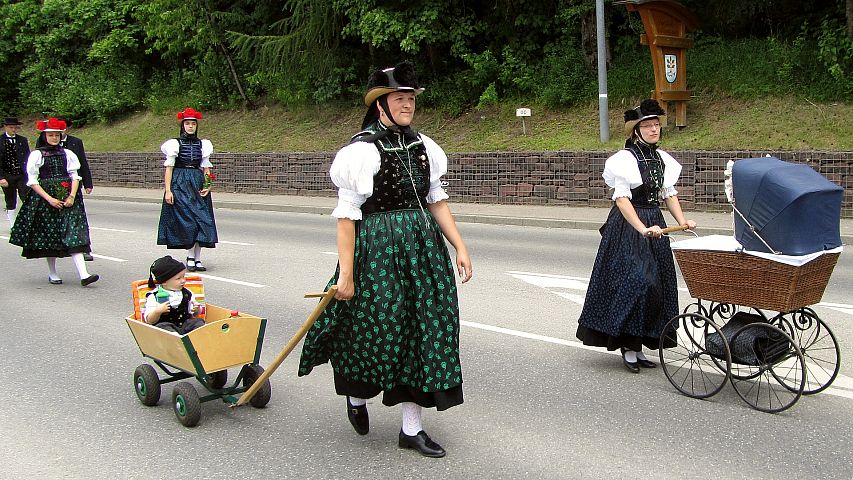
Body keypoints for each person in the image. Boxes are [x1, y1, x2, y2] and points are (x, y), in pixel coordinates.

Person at [298, 62, 473, 458]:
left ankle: (411, 429)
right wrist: (346, 274)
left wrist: (460, 246)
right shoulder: (360, 152)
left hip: (423, 251)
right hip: (377, 251)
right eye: (399, 99)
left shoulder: (425, 146)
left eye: (411, 98)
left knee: (425, 330)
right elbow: (346, 218)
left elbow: (437, 201)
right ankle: (357, 398)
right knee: (371, 327)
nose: (407, 105)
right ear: (381, 105)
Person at [575, 99, 696, 373]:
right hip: (629, 226)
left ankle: (638, 344)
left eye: (656, 125)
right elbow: (621, 200)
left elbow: (669, 194)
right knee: (637, 282)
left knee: (658, 286)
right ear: (636, 130)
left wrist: (683, 221)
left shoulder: (662, 159)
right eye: (648, 125)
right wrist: (641, 228)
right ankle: (627, 345)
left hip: (655, 223)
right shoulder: (624, 160)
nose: (654, 129)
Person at [9, 118, 98, 286]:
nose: (54, 138)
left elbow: (74, 176)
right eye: (51, 135)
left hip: (69, 198)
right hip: (46, 198)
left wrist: (71, 196)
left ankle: (84, 274)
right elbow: (33, 180)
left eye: (57, 135)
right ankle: (53, 272)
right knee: (50, 236)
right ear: (44, 136)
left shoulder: (68, 153)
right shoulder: (37, 155)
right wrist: (49, 198)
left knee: (74, 233)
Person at [157, 107, 217, 272]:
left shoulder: (203, 145)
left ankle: (197, 258)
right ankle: (191, 256)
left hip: (196, 182)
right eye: (188, 124)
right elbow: (169, 168)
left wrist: (207, 184)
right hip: (180, 183)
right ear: (183, 125)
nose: (190, 127)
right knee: (189, 221)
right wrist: (168, 190)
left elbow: (206, 168)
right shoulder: (175, 144)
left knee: (203, 220)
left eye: (193, 124)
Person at [36, 117, 95, 261]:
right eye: (52, 133)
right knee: (54, 222)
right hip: (50, 189)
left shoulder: (75, 142)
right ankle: (58, 248)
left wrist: (88, 183)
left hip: (72, 187)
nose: (56, 135)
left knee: (77, 220)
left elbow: (82, 163)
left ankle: (83, 247)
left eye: (60, 131)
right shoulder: (42, 147)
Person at [143, 255, 205, 334]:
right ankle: (177, 341)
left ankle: (200, 339)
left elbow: (194, 313)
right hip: (166, 326)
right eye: (178, 278)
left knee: (198, 322)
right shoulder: (154, 296)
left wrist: (196, 309)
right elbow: (149, 320)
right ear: (164, 282)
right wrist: (158, 311)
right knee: (162, 327)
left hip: (185, 325)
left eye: (184, 276)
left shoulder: (187, 293)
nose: (183, 280)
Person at [0, 116, 30, 227]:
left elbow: (27, 158)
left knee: (26, 196)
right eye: (11, 127)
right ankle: (13, 224)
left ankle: (27, 222)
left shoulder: (22, 140)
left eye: (15, 127)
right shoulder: (0, 141)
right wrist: (1, 177)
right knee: (10, 199)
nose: (13, 130)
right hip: (7, 174)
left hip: (21, 174)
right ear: (5, 127)